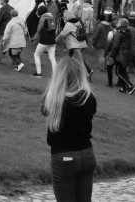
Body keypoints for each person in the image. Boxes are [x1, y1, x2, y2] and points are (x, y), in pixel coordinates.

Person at [41, 56, 98, 202]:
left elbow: (44, 109)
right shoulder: (89, 98)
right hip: (87, 154)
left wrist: (55, 87)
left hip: (64, 156)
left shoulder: (55, 99)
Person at [108, 17, 135, 94]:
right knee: (123, 70)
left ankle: (130, 86)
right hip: (128, 54)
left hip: (121, 54)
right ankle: (123, 88)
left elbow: (115, 46)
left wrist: (111, 55)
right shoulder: (128, 32)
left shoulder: (118, 33)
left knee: (118, 72)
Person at [32, 6, 57, 77]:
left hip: (44, 40)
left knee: (36, 55)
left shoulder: (43, 18)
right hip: (52, 39)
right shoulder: (51, 17)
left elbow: (39, 30)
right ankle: (56, 74)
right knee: (52, 57)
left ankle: (38, 73)